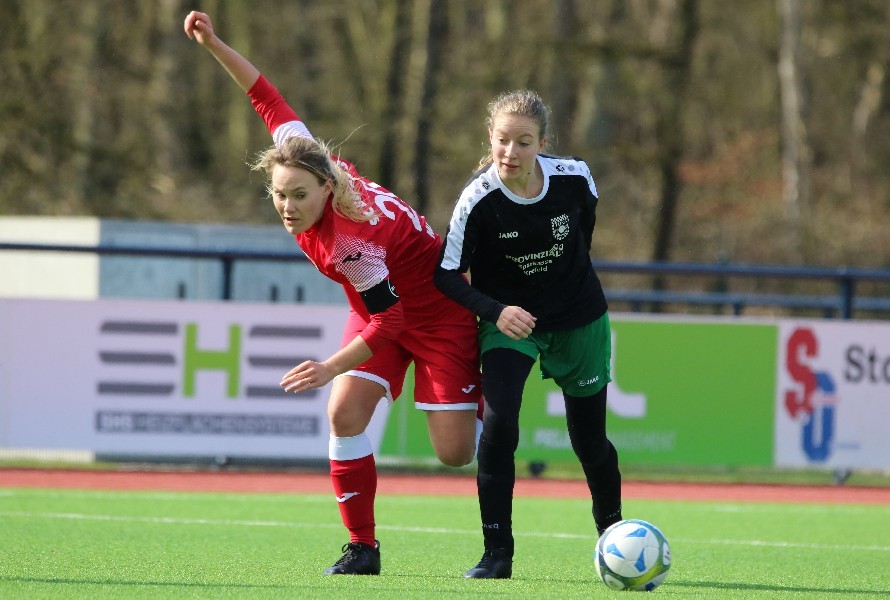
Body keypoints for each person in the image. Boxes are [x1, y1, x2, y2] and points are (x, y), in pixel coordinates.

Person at [184, 10, 482, 576]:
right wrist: (215, 42)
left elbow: (389, 323)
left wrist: (329, 365)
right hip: (380, 308)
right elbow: (266, 99)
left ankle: (487, 385)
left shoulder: (351, 242)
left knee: (453, 454)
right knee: (344, 413)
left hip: (438, 315)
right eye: (278, 195)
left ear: (327, 187)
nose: (287, 207)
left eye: (299, 196)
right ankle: (362, 548)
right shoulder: (308, 157)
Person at [434, 90, 622, 579]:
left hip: (579, 319)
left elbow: (585, 236)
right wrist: (496, 311)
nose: (510, 153)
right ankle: (497, 553)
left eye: (523, 142)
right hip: (510, 324)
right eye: (502, 141)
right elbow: (447, 273)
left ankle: (615, 537)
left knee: (589, 441)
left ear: (542, 143)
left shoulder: (575, 178)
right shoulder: (477, 199)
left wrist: (562, 295)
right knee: (498, 427)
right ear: (489, 139)